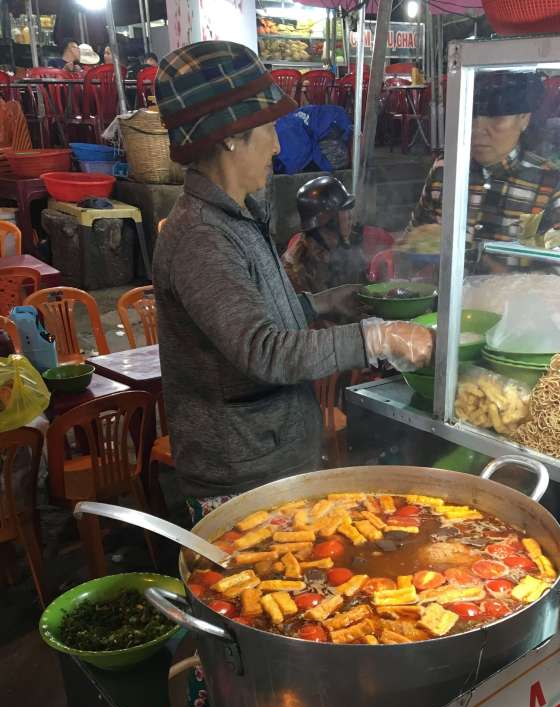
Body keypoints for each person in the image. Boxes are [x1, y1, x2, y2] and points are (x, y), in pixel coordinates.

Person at [153, 41, 432, 517]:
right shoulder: (201, 237)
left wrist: (321, 305)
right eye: (268, 128)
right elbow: (263, 350)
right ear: (230, 136)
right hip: (243, 480)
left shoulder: (236, 215)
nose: (279, 145)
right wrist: (377, 337)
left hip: (272, 458)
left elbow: (246, 319)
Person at [409, 71, 560, 269]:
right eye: (472, 117)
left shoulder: (551, 181)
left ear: (524, 118)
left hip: (511, 299)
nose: (478, 130)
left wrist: (496, 272)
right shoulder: (444, 170)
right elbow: (413, 238)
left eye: (496, 119)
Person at [283, 175, 367, 295]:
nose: (350, 216)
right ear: (330, 221)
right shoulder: (295, 268)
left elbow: (365, 291)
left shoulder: (348, 248)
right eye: (345, 209)